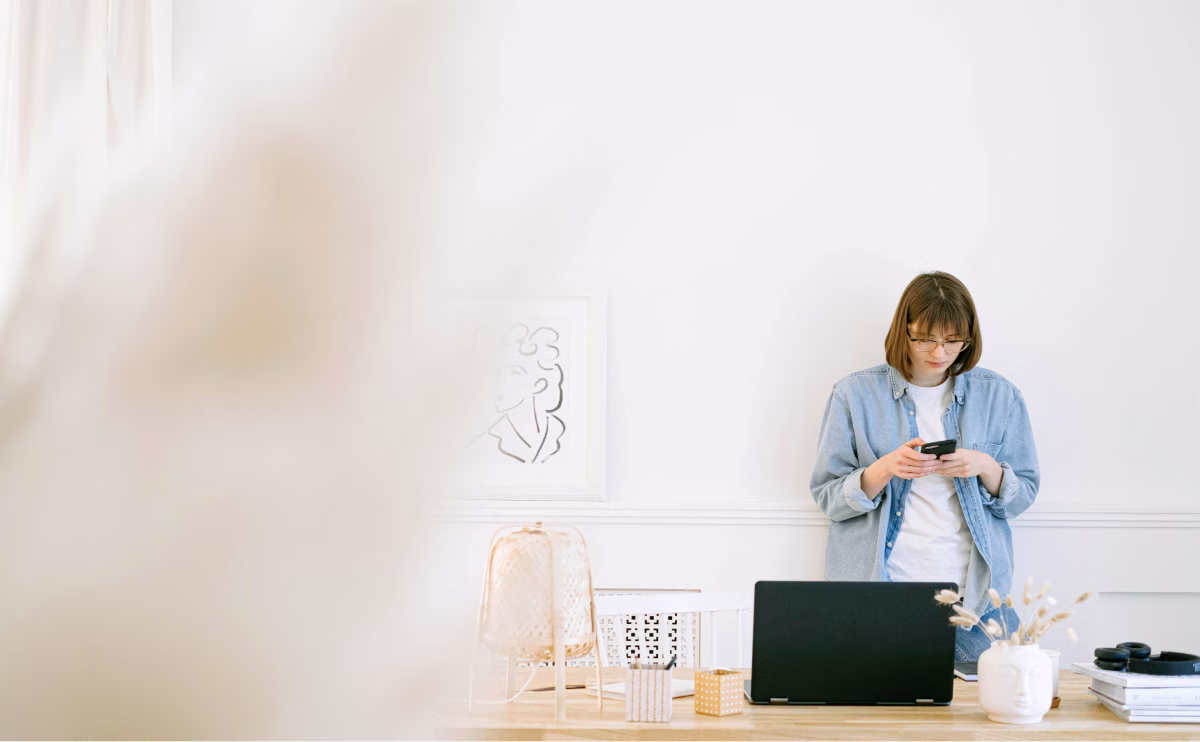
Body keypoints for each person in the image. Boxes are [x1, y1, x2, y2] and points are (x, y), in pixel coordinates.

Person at [810, 271, 1039, 661]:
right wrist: (883, 469)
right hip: (878, 598)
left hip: (977, 604)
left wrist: (985, 466)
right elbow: (827, 497)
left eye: (953, 341)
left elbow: (1023, 495)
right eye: (925, 339)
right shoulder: (854, 395)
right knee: (878, 719)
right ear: (904, 330)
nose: (940, 352)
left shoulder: (999, 396)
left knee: (985, 715)